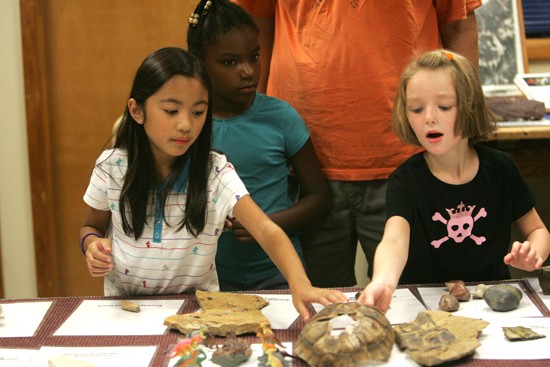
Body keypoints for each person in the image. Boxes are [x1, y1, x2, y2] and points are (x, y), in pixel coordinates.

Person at [79, 47, 347, 320]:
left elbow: (266, 230)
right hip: (125, 312)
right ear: (137, 111)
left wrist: (299, 283)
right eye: (171, 111)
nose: (185, 125)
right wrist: (91, 246)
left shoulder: (215, 171)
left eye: (198, 112)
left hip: (197, 313)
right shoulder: (111, 167)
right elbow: (91, 227)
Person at [234, 0, 483, 288]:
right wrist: (254, 122)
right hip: (302, 160)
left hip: (406, 158)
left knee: (410, 299)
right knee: (317, 306)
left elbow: (459, 23)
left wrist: (465, 118)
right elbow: (256, 26)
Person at [357, 50, 550, 313]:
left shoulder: (500, 169)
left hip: (488, 300)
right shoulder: (406, 179)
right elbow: (394, 241)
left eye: (444, 106)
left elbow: (538, 231)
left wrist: (533, 254)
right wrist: (383, 281)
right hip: (425, 302)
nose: (428, 117)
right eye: (416, 108)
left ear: (469, 106)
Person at [186, 0, 332, 291]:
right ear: (200, 62)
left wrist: (266, 223)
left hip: (279, 276)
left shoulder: (281, 117)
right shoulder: (188, 125)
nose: (248, 71)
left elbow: (320, 197)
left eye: (254, 57)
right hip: (206, 279)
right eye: (230, 62)